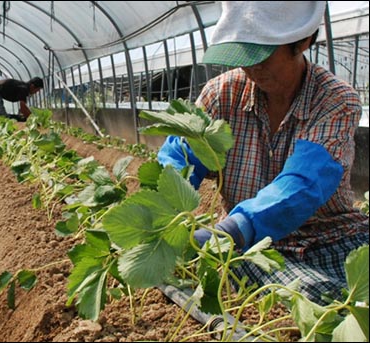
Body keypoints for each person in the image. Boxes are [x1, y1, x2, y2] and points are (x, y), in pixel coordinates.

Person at [157, 1, 368, 304]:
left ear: (303, 42)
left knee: (346, 294)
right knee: (311, 294)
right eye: (242, 54)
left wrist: (233, 229)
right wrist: (160, 214)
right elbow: (179, 158)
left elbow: (304, 182)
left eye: (262, 55)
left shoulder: (335, 100)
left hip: (329, 237)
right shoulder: (221, 96)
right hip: (256, 248)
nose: (251, 67)